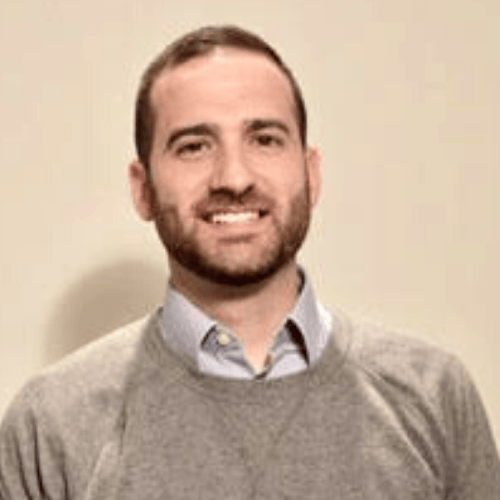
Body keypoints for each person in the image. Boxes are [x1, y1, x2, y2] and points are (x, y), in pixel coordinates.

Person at [0, 25, 499, 500]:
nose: (234, 178)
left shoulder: (434, 395)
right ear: (143, 188)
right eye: (194, 146)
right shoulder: (49, 425)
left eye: (264, 139)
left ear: (310, 174)